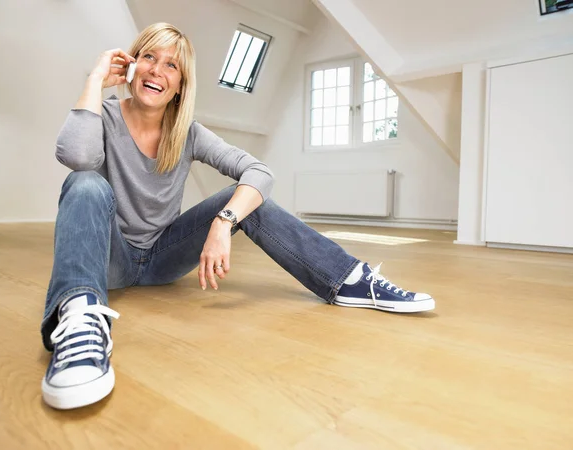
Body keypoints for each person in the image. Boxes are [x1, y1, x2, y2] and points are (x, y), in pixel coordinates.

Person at [40, 22, 435, 410]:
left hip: (163, 257)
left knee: (246, 197)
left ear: (180, 85)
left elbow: (260, 172)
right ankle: (80, 321)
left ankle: (347, 278)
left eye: (171, 66)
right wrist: (94, 80)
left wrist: (223, 222)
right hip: (113, 260)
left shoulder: (187, 132)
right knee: (86, 183)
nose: (157, 71)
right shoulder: (104, 116)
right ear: (131, 65)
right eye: (149, 57)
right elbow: (77, 157)